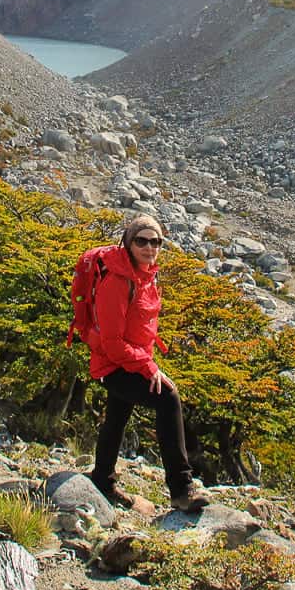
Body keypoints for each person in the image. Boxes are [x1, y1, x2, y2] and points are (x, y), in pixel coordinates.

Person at [88, 214, 209, 512]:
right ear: (129, 243)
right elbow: (112, 344)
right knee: (168, 398)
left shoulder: (145, 275)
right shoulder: (117, 281)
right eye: (141, 240)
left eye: (156, 241)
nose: (149, 247)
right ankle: (181, 489)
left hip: (129, 362)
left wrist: (145, 360)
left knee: (117, 416)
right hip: (112, 364)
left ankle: (101, 479)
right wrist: (148, 366)